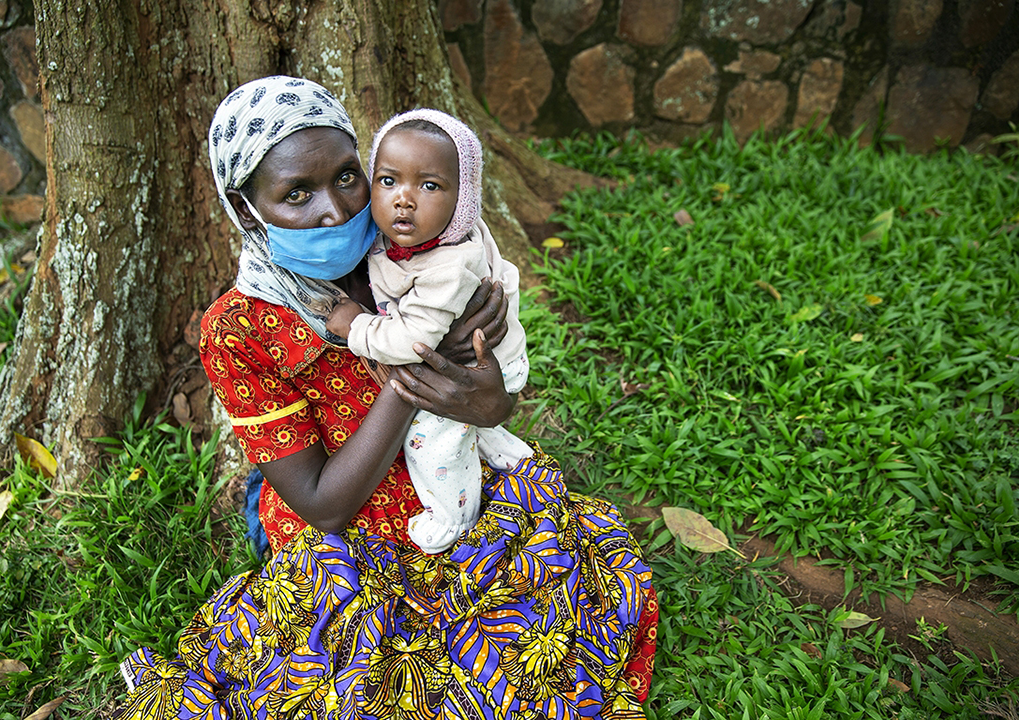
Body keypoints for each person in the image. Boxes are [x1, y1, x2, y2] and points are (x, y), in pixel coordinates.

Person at [117, 76, 658, 719]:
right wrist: (410, 373)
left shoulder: (418, 258)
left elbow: (489, 406)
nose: (336, 211)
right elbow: (323, 506)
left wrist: (486, 398)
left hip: (447, 475)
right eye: (296, 193)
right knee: (369, 670)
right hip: (339, 518)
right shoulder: (240, 330)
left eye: (348, 178)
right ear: (246, 208)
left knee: (542, 609)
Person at [325, 109, 530, 555]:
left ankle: (453, 516)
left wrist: (355, 325)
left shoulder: (449, 265)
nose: (404, 198)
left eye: (430, 186)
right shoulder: (412, 236)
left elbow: (410, 344)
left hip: (481, 365)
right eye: (387, 180)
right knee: (460, 423)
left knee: (429, 442)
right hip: (478, 355)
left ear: (463, 201)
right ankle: (501, 447)